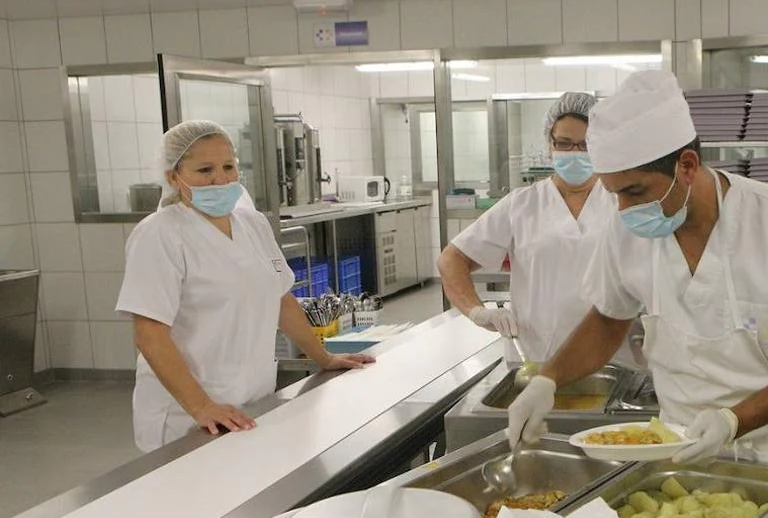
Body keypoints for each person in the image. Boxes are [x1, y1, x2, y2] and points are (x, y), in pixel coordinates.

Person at [507, 71, 768, 470]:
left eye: (635, 191)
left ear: (687, 165)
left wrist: (732, 422)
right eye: (614, 193)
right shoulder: (625, 231)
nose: (623, 209)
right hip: (676, 451)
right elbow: (607, 319)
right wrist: (547, 381)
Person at [116, 120, 374, 452]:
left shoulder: (252, 224)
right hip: (187, 414)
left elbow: (281, 300)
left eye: (228, 167)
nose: (220, 179)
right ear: (173, 177)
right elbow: (149, 332)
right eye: (204, 169)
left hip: (252, 398)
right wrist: (201, 406)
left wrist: (322, 357)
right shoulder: (160, 234)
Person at [438, 91, 638, 365]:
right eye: (564, 144)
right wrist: (477, 312)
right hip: (536, 359)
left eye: (586, 144)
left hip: (614, 359)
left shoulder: (623, 201)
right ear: (549, 144)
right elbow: (452, 259)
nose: (575, 153)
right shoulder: (522, 204)